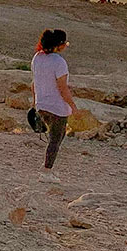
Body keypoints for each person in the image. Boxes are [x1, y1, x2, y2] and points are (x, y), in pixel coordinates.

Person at [31, 29, 78, 183]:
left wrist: (34, 102)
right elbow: (63, 88)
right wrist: (73, 107)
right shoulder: (59, 62)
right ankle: (46, 172)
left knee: (54, 138)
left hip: (42, 104)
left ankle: (46, 168)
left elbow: (34, 83)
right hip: (57, 107)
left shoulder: (37, 58)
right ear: (59, 45)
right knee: (55, 140)